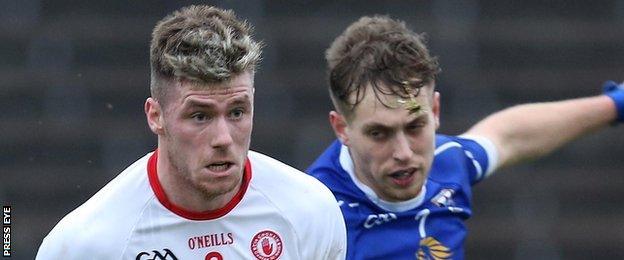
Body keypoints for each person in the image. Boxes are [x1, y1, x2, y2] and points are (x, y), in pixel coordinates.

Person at [36, 5, 346, 259]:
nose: (223, 138)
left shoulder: (310, 212)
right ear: (156, 116)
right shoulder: (85, 245)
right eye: (200, 116)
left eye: (237, 112)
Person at [306, 15, 624, 259]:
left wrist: (616, 105)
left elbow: (510, 136)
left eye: (415, 126)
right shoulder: (313, 214)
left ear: (435, 109)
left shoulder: (448, 162)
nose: (403, 152)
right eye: (379, 133)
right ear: (342, 129)